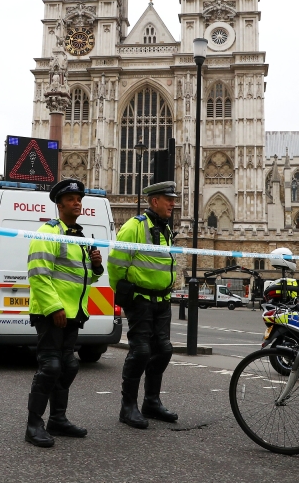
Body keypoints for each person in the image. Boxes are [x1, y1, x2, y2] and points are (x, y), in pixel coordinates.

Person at [24, 178, 104, 448]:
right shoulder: (48, 232)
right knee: (51, 367)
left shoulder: (79, 237)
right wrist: (54, 307)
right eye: (71, 199)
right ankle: (34, 425)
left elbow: (82, 280)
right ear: (59, 205)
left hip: (73, 313)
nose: (77, 202)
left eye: (79, 198)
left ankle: (58, 419)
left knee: (68, 365)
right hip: (52, 313)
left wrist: (96, 268)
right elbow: (38, 274)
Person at [108, 180, 179, 429]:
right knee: (141, 352)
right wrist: (125, 292)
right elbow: (116, 263)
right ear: (154, 201)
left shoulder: (166, 228)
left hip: (162, 300)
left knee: (164, 350)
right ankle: (128, 407)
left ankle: (151, 402)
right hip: (140, 300)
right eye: (168, 199)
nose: (173, 203)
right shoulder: (134, 227)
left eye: (173, 199)